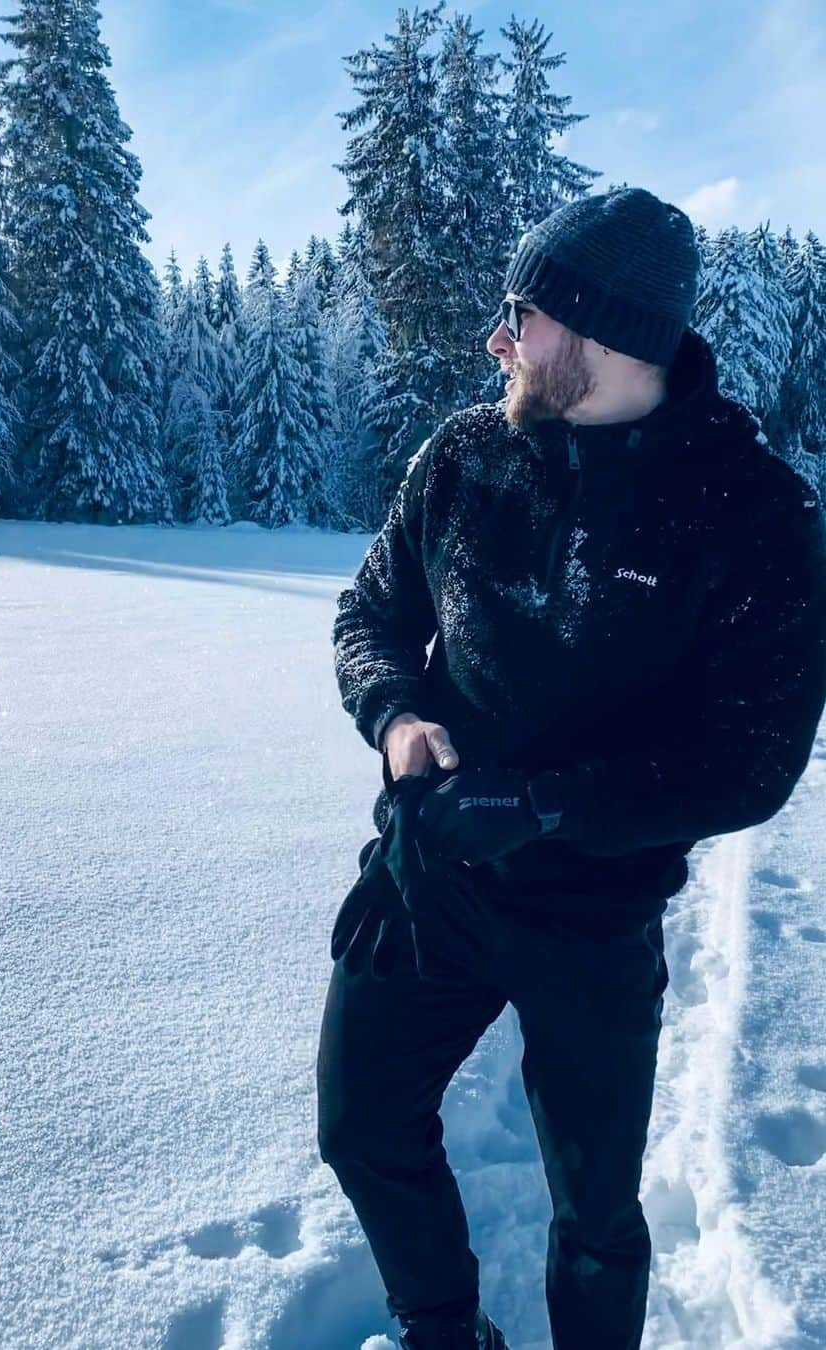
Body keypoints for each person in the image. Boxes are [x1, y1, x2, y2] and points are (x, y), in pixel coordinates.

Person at [316, 187, 826, 1350]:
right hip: (429, 879)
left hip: (595, 917)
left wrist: (549, 807)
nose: (496, 339)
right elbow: (371, 613)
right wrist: (397, 718)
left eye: (521, 314)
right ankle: (441, 1330)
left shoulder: (751, 512)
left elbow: (749, 764)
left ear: (597, 336)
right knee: (361, 1128)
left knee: (595, 1213)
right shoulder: (464, 457)